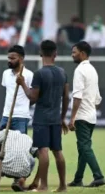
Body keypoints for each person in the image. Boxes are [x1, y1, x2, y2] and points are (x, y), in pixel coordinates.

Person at [16, 40, 69, 192]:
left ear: (40, 54)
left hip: (42, 119)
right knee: (58, 151)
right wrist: (62, 117)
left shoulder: (39, 74)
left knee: (43, 151)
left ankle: (44, 186)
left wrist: (23, 84)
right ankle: (62, 186)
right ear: (55, 54)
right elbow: (66, 97)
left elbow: (32, 98)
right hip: (55, 118)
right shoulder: (62, 73)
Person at [68, 41, 105, 187]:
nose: (72, 55)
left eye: (74, 52)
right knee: (83, 148)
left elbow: (77, 96)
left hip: (82, 117)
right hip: (91, 116)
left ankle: (98, 176)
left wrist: (72, 118)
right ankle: (78, 179)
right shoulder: (92, 70)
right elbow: (97, 98)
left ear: (82, 53)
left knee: (84, 147)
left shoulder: (79, 70)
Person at [0, 45, 33, 134]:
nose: (10, 60)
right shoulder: (5, 74)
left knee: (19, 145)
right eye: (9, 58)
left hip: (21, 117)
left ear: (21, 59)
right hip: (6, 115)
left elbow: (32, 97)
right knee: (1, 144)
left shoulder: (29, 75)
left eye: (13, 58)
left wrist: (22, 83)